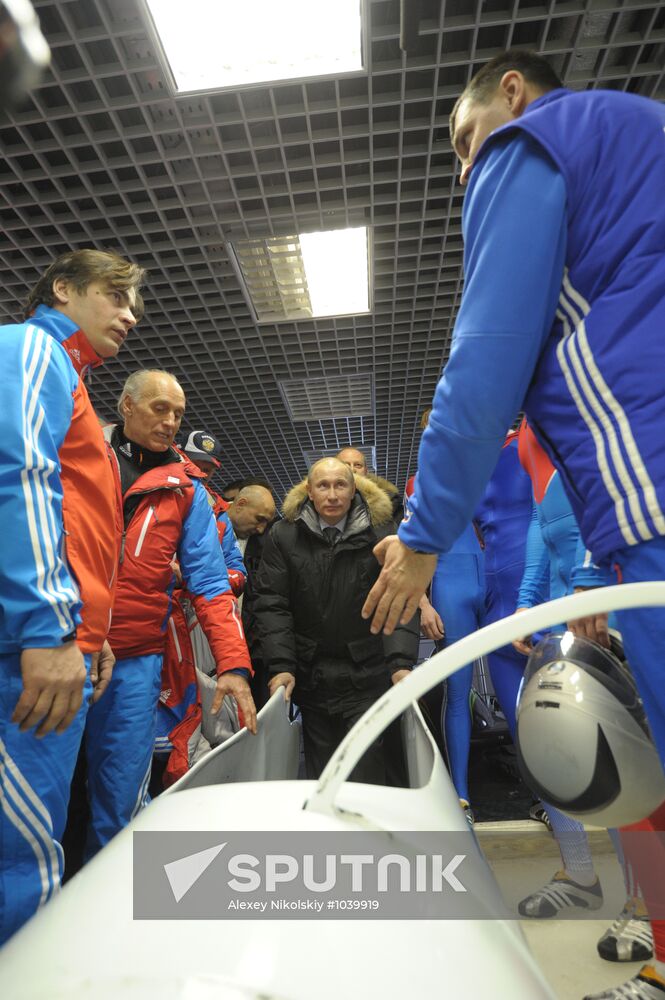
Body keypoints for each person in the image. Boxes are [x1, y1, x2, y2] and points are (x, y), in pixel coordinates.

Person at [363, 49, 665, 1000]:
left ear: (509, 94)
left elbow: (486, 350)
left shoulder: (533, 142)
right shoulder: (639, 140)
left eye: (462, 143)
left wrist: (418, 539)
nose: (464, 170)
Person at [0, 248, 144, 943]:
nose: (130, 314)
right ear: (62, 289)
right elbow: (19, 478)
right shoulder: (32, 348)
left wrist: (93, 630)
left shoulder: (73, 381)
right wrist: (49, 631)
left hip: (60, 639)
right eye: (115, 297)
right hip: (27, 650)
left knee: (36, 845)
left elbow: (76, 523)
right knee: (22, 860)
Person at [82, 369, 256, 856]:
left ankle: (113, 913)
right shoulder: (79, 458)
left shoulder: (186, 490)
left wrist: (234, 665)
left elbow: (211, 583)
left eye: (178, 413)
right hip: (65, 647)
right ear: (126, 407)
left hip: (137, 660)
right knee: (42, 797)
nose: (171, 421)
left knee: (120, 803)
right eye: (160, 408)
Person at [254, 458, 418, 782]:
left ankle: (366, 830)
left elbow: (398, 600)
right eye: (323, 486)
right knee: (323, 770)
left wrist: (400, 663)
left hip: (367, 672)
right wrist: (281, 666)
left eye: (340, 485)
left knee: (367, 767)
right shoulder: (284, 535)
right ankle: (332, 834)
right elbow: (273, 604)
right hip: (312, 676)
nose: (332, 494)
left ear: (354, 488)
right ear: (309, 492)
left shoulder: (383, 532)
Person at [405, 409, 485, 822]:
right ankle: (461, 797)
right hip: (453, 584)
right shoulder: (420, 482)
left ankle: (549, 791)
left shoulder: (487, 463)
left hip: (498, 581)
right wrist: (422, 601)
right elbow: (413, 549)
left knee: (523, 687)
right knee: (458, 695)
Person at [337, 446, 404, 522]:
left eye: (358, 465)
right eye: (346, 465)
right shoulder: (323, 503)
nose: (352, 469)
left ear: (366, 471)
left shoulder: (393, 502)